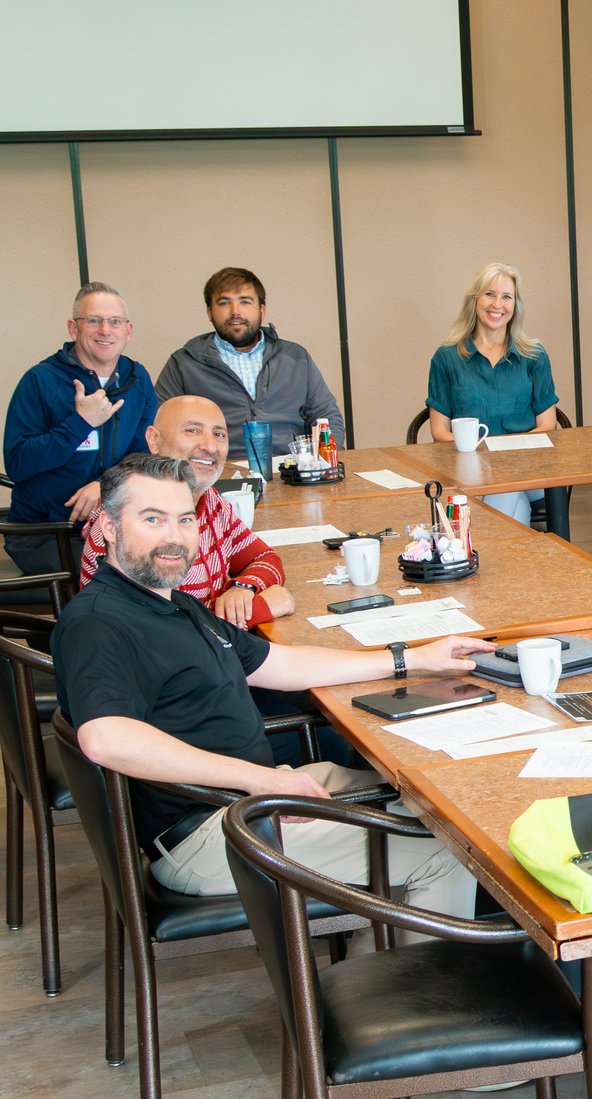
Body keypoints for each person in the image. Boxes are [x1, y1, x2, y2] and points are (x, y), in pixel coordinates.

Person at [52, 454, 487, 915]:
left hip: (247, 799)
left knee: (429, 801)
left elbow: (282, 665)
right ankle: (408, 985)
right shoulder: (99, 623)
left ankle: (380, 964)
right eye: (152, 519)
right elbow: (104, 738)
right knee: (451, 851)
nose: (174, 537)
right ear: (108, 528)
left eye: (184, 519)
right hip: (208, 832)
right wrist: (256, 779)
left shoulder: (174, 604)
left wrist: (412, 658)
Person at [79, 396, 294, 627]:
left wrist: (243, 587)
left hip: (213, 651)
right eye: (192, 430)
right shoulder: (129, 516)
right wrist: (262, 608)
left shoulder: (210, 499)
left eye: (219, 435)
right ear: (153, 439)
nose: (210, 446)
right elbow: (159, 630)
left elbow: (265, 558)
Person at [4, 283, 158, 575]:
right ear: (73, 329)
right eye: (94, 321)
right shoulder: (40, 380)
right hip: (50, 532)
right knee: (124, 581)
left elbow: (144, 455)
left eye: (115, 322)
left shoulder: (138, 379)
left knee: (180, 563)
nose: (105, 330)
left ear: (128, 331)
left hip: (116, 526)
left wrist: (105, 484)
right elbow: (18, 463)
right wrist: (81, 423)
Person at [155, 266, 346, 456]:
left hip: (293, 468)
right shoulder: (183, 363)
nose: (235, 311)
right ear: (209, 312)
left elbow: (327, 415)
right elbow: (159, 426)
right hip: (217, 470)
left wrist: (323, 462)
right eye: (223, 303)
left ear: (262, 310)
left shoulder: (295, 357)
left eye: (245, 302)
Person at [425, 263, 560, 525]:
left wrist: (507, 457)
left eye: (506, 296)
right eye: (489, 294)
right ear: (474, 300)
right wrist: (480, 456)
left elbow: (548, 424)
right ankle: (509, 562)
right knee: (512, 499)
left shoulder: (534, 355)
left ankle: (477, 550)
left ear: (515, 306)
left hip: (529, 470)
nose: (497, 304)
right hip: (470, 472)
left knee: (507, 482)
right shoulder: (446, 358)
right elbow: (439, 432)